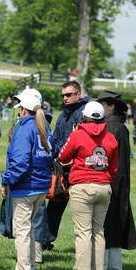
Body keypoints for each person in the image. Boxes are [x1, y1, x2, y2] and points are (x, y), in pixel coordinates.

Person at [57, 101, 118, 270]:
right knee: (98, 232)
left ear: (84, 116)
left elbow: (62, 156)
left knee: (83, 232)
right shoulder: (110, 137)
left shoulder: (78, 135)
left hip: (82, 186)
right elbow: (114, 167)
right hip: (104, 186)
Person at [0, 88, 53, 270]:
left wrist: (7, 180)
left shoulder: (25, 127)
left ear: (23, 108)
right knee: (28, 230)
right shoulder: (44, 126)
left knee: (22, 232)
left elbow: (20, 161)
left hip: (26, 186)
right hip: (41, 185)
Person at [96, 90, 136, 270]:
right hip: (118, 181)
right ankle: (114, 267)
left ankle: (105, 266)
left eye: (103, 104)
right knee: (113, 224)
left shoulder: (111, 126)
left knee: (105, 225)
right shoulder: (118, 126)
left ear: (111, 105)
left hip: (111, 180)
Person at [45, 81, 90, 249]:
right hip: (61, 168)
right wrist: (54, 158)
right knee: (55, 205)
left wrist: (72, 159)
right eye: (63, 95)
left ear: (78, 94)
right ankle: (45, 239)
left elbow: (84, 141)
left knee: (82, 210)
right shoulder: (64, 114)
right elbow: (56, 138)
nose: (65, 98)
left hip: (78, 169)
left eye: (69, 94)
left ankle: (86, 245)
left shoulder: (84, 113)